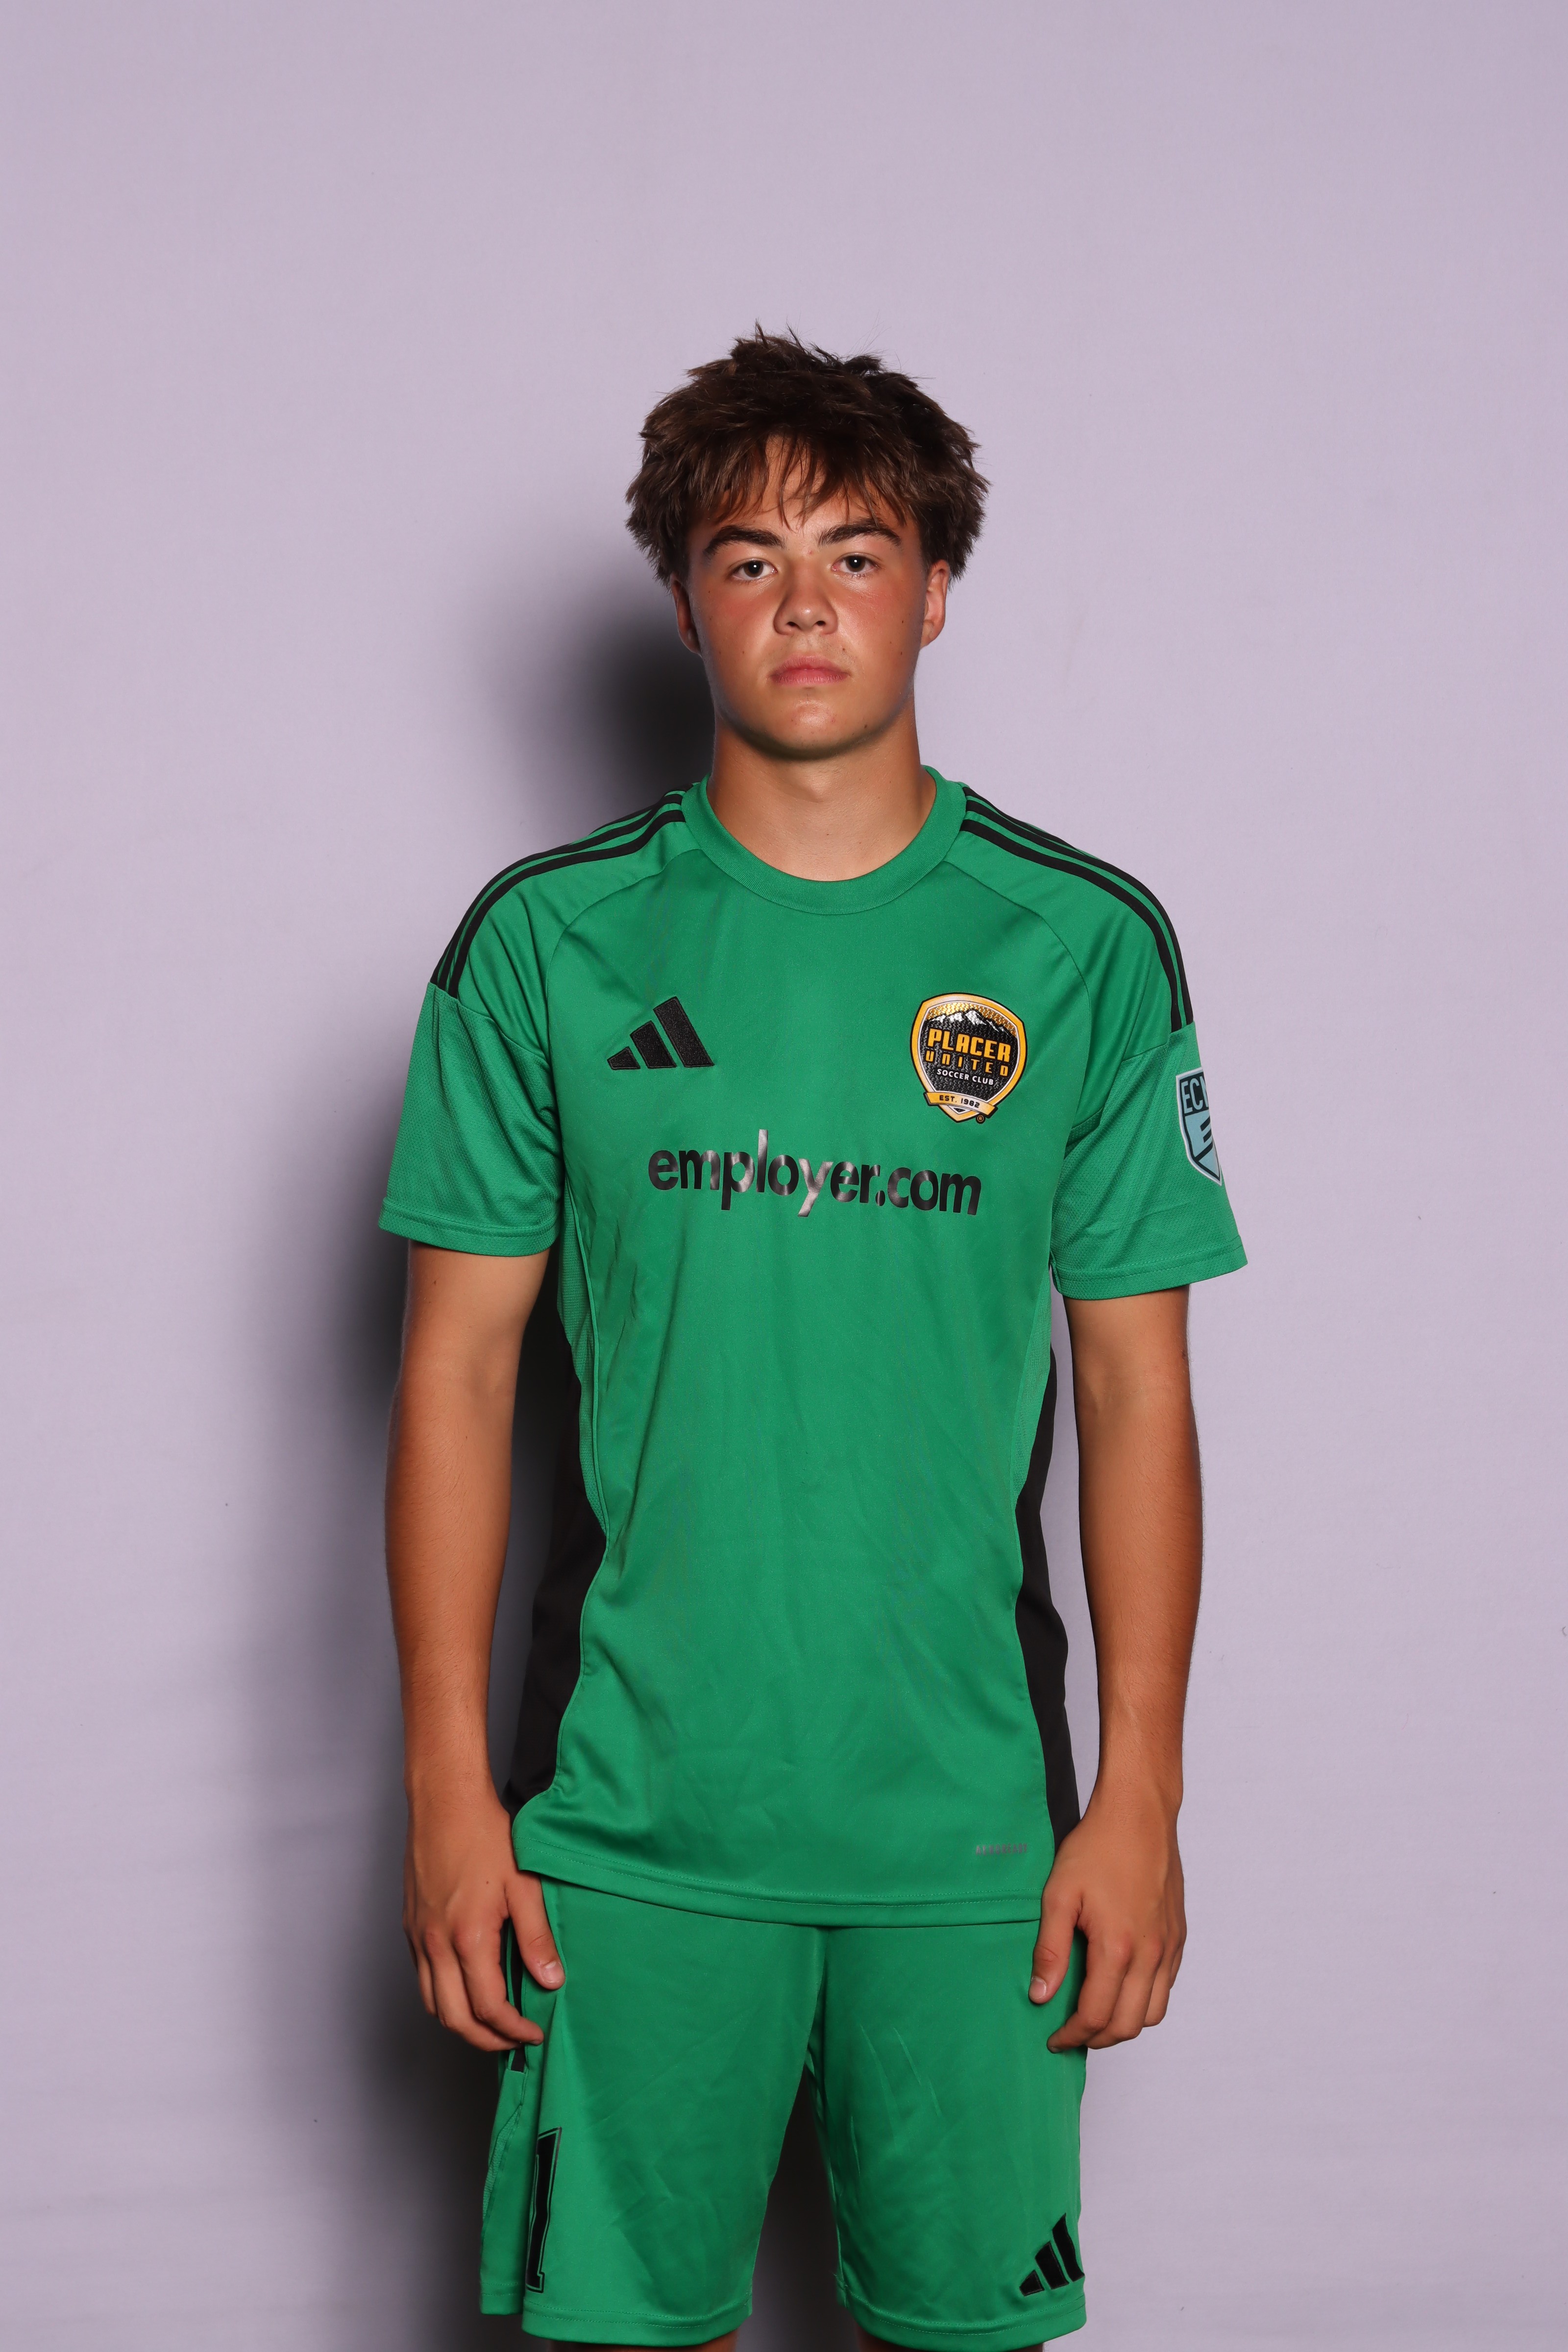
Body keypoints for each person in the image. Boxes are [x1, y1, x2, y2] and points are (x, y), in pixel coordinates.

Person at [380, 329, 1246, 2351]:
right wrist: (444, 1792)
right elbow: (454, 1378)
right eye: (749, 559)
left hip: (972, 1824)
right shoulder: (546, 944)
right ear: (683, 598)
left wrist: (1139, 1797)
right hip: (625, 1820)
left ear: (935, 591)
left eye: (855, 556)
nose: (803, 606)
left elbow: (1137, 1390)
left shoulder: (1080, 946)